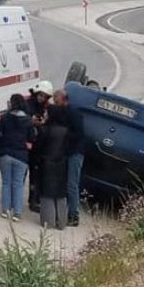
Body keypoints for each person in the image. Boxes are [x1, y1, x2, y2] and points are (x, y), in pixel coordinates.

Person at [0, 94, 35, 221]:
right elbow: (32, 138)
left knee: (6, 182)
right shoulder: (28, 120)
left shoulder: (4, 118)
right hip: (21, 155)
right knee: (18, 184)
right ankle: (17, 212)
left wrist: (1, 146)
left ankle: (6, 210)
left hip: (5, 153)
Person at [35, 104, 73, 230]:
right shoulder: (66, 130)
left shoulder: (44, 130)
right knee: (61, 194)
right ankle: (62, 222)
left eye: (46, 112)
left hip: (46, 163)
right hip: (62, 163)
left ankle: (48, 221)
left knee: (47, 194)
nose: (44, 114)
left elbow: (38, 147)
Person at [53, 89, 85, 227]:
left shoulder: (73, 113)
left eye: (56, 99)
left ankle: (74, 215)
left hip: (75, 152)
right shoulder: (61, 112)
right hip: (65, 152)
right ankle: (65, 213)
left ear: (63, 98)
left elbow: (79, 133)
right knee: (66, 183)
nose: (55, 101)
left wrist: (63, 134)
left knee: (72, 184)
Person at [26, 80, 53, 213]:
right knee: (22, 173)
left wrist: (43, 123)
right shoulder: (28, 105)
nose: (41, 98)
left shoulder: (45, 108)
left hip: (37, 146)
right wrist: (32, 122)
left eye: (44, 96)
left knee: (35, 175)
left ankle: (33, 200)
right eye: (40, 95)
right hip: (26, 144)